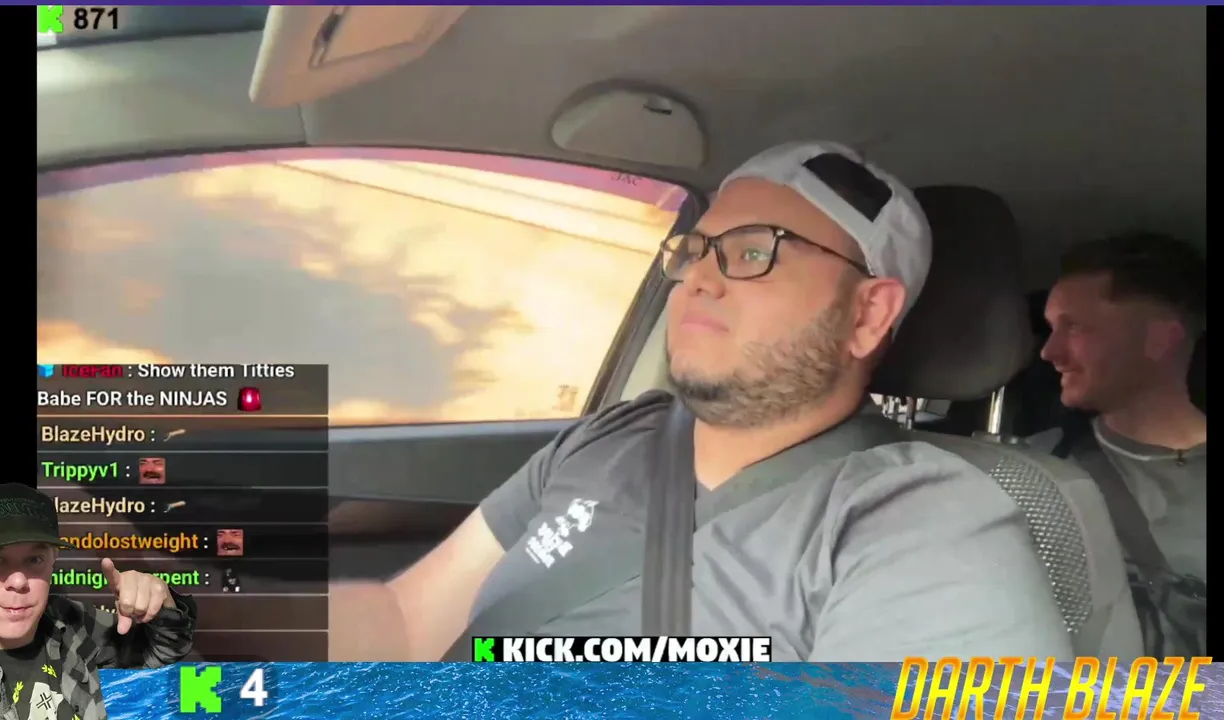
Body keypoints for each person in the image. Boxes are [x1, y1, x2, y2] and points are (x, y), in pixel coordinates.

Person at [328, 141, 1073, 661]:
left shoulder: (918, 517)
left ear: (868, 314)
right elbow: (406, 619)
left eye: (754, 251)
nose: (698, 280)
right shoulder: (615, 437)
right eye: (696, 251)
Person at [1036, 232, 1206, 655]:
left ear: (1160, 340)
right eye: (1053, 329)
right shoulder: (1035, 472)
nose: (1048, 352)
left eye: (1073, 326)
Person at [0, 483, 197, 720]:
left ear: (53, 559)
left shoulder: (70, 621)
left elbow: (164, 650)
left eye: (34, 559)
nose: (19, 581)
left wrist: (162, 603)